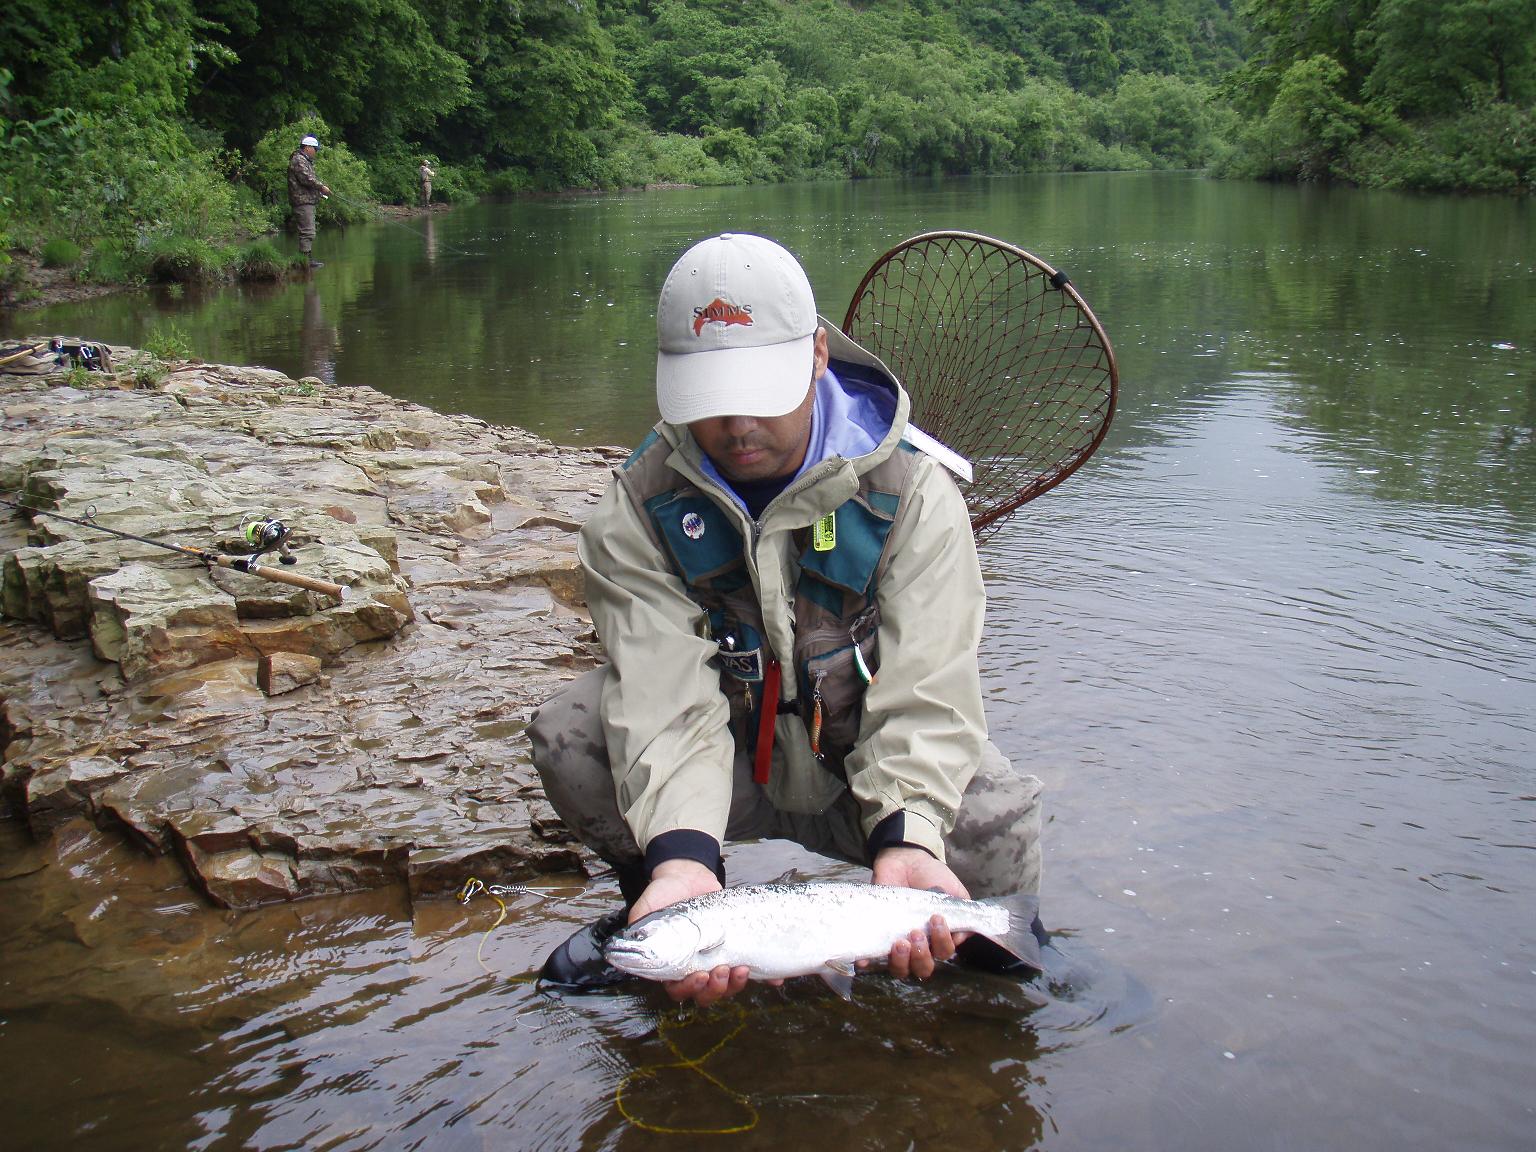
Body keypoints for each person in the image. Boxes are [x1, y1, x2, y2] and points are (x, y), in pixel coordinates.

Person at [529, 232, 1044, 1005]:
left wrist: (908, 841)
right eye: (711, 399)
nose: (737, 426)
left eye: (760, 391)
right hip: (728, 766)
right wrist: (681, 859)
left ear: (816, 356)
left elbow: (928, 692)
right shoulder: (636, 510)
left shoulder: (917, 493)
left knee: (996, 817)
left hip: (859, 774)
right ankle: (662, 905)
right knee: (571, 734)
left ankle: (991, 966)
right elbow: (663, 697)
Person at [288, 135, 331, 269]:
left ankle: (306, 259)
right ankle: (305, 261)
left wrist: (319, 192)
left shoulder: (304, 160)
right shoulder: (298, 160)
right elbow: (306, 178)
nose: (316, 152)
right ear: (307, 147)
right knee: (307, 231)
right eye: (315, 149)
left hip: (306, 200)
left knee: (309, 231)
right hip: (302, 201)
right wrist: (321, 187)